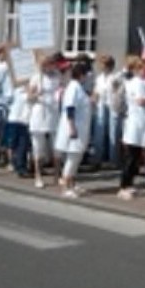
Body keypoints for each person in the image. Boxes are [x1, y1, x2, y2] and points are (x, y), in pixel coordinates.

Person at [54, 62, 92, 198]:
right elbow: (70, 107)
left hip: (81, 128)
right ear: (81, 75)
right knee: (72, 158)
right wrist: (71, 127)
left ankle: (71, 184)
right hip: (74, 128)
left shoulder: (79, 88)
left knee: (76, 157)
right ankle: (64, 187)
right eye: (86, 74)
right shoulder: (73, 87)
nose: (87, 77)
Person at [119, 56, 145, 200]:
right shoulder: (138, 83)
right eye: (143, 68)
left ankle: (129, 184)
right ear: (137, 69)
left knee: (135, 156)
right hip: (136, 122)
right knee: (131, 157)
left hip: (139, 122)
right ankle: (124, 186)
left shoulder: (134, 82)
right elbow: (140, 100)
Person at [28, 55, 61, 189]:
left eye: (52, 64)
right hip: (39, 113)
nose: (51, 66)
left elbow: (61, 90)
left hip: (53, 114)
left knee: (57, 146)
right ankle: (38, 176)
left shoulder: (57, 76)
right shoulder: (36, 77)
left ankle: (57, 176)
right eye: (48, 64)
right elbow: (29, 97)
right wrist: (36, 94)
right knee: (38, 147)